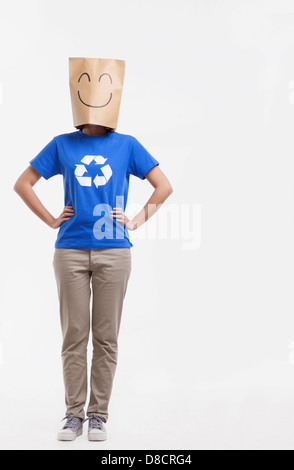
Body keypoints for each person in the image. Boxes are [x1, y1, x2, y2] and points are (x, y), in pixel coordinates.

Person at [13, 58, 173, 442]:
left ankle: (98, 415)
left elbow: (163, 186)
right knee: (74, 336)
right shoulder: (61, 144)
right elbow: (23, 184)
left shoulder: (127, 145)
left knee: (105, 338)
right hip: (69, 249)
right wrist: (52, 218)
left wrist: (134, 221)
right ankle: (73, 414)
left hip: (114, 250)